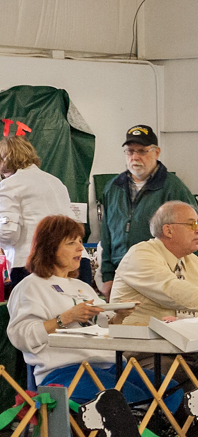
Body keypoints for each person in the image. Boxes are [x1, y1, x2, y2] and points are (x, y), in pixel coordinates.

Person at [5, 214, 165, 405]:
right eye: (71, 242)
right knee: (134, 399)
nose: (81, 248)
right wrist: (65, 318)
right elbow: (21, 337)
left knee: (168, 389)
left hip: (109, 364)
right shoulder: (30, 287)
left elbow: (102, 329)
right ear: (50, 247)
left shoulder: (82, 287)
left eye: (80, 241)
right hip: (65, 370)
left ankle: (148, 431)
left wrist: (118, 317)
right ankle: (133, 432)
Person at [99, 125, 198, 297]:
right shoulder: (113, 187)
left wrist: (189, 278)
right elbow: (106, 235)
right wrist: (107, 276)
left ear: (156, 152)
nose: (135, 157)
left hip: (160, 280)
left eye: (142, 151)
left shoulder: (173, 188)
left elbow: (195, 236)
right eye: (130, 151)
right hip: (120, 276)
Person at [110, 202, 198, 325]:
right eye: (192, 224)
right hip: (141, 344)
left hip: (190, 344)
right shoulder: (139, 254)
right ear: (168, 230)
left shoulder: (196, 263)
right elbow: (170, 288)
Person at [0, 135, 73, 294]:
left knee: (33, 319)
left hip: (33, 265)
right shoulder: (56, 182)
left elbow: (8, 234)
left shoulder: (9, 185)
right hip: (71, 263)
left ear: (4, 160)